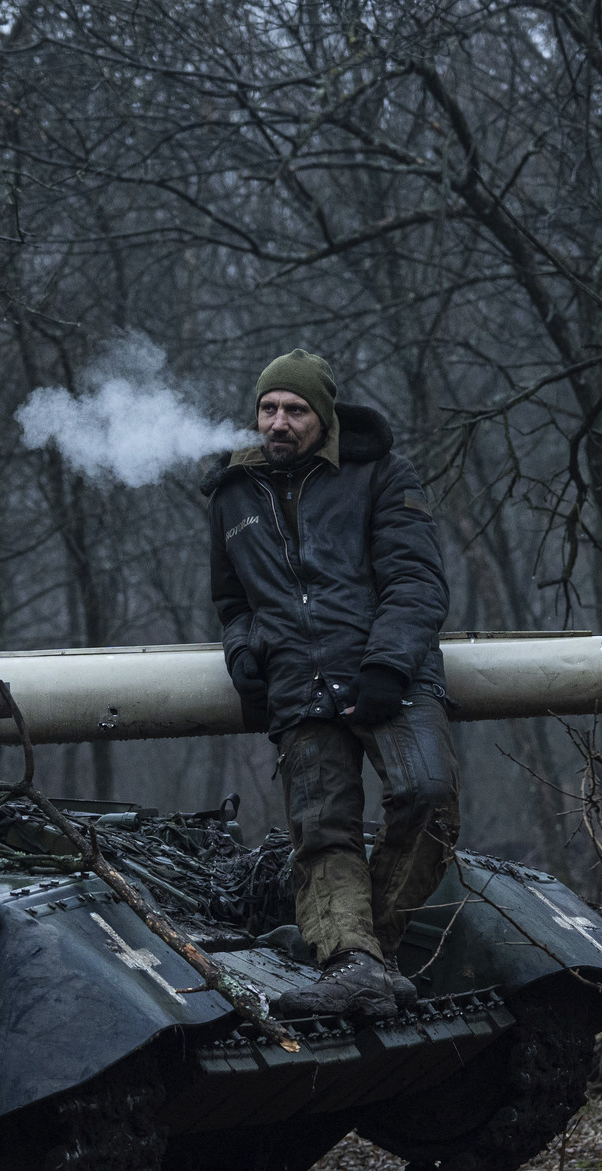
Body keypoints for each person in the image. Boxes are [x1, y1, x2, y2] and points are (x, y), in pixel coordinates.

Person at [204, 351, 459, 1019]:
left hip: (389, 674)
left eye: (295, 409)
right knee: (322, 834)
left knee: (428, 797)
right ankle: (354, 964)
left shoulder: (381, 474)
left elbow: (417, 581)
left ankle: (368, 950)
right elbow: (233, 605)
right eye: (269, 408)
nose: (279, 422)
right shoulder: (231, 494)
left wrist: (387, 664)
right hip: (296, 685)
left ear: (325, 418)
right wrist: (243, 654)